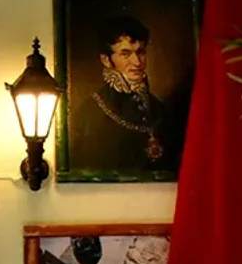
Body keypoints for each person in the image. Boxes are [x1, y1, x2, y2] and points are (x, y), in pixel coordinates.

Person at [72, 13, 185, 178]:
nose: (137, 62)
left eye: (141, 52)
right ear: (106, 60)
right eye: (126, 54)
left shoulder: (159, 108)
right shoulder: (91, 110)